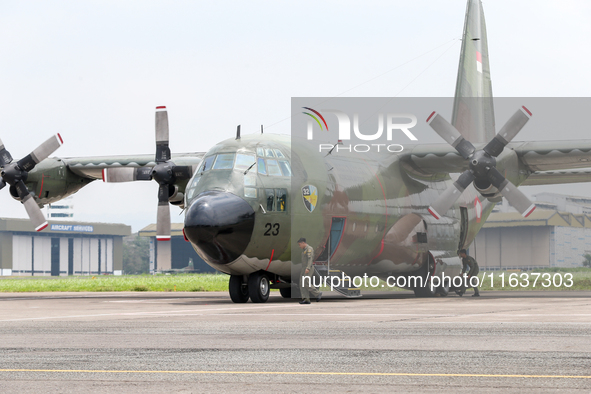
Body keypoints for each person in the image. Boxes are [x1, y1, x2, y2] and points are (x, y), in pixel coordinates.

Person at [297, 237, 322, 304]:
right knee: (301, 283)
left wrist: (308, 268)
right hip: (304, 268)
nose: (299, 246)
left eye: (300, 244)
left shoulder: (309, 249)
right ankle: (306, 299)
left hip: (308, 268)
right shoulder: (304, 250)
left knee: (306, 282)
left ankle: (317, 293)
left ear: (303, 243)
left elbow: (310, 259)